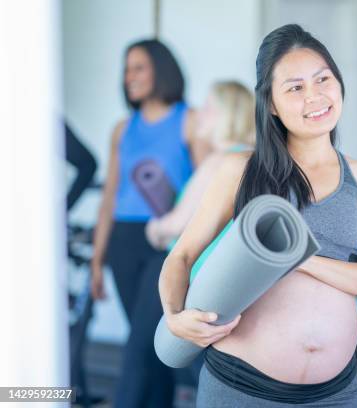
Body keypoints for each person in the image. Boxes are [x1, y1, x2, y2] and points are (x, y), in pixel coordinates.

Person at [159, 24, 357, 407]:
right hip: (241, 389)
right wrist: (173, 315)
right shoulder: (239, 170)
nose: (315, 96)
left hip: (337, 394)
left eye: (323, 79)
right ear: (271, 103)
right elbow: (182, 256)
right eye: (295, 87)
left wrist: (302, 260)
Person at [90, 39, 207, 407]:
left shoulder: (189, 121)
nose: (129, 77)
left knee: (145, 339)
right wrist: (97, 260)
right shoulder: (122, 129)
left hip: (167, 242)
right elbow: (110, 195)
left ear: (161, 69)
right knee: (147, 344)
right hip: (123, 242)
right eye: (127, 69)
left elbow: (211, 191)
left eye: (138, 67)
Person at [146, 80, 255, 251]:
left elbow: (176, 225)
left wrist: (154, 228)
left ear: (228, 114)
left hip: (202, 267)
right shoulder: (250, 157)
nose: (198, 115)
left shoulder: (218, 161)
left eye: (208, 108)